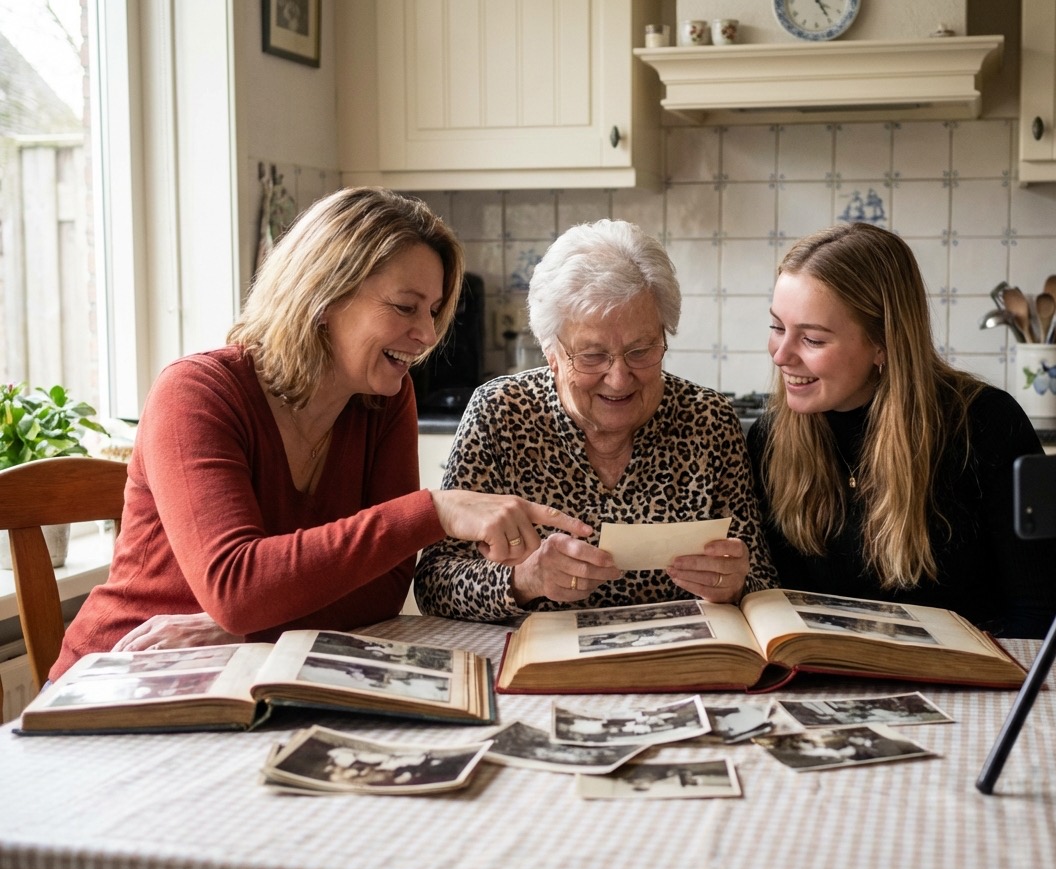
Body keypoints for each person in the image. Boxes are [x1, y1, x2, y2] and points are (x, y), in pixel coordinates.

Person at [49, 188, 589, 680]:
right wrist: (434, 510)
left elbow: (379, 590)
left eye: (432, 311)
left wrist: (249, 629)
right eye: (405, 307)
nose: (425, 335)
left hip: (256, 670)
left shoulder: (384, 397)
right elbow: (236, 588)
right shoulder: (196, 393)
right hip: (122, 677)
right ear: (324, 295)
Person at [414, 219, 777, 621]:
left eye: (641, 351)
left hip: (678, 666)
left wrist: (737, 584)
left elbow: (760, 577)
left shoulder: (708, 421)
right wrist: (524, 580)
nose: (619, 378)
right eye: (592, 356)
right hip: (541, 666)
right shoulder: (501, 413)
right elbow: (434, 582)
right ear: (551, 353)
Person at [746, 221, 1056, 639]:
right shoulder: (770, 438)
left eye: (813, 340)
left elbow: (1043, 614)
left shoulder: (986, 425)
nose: (781, 354)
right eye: (777, 327)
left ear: (883, 343)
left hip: (968, 687)